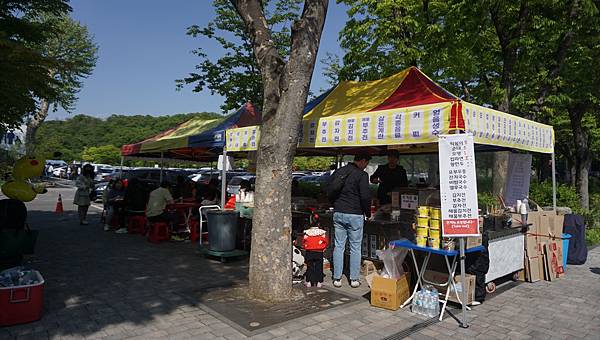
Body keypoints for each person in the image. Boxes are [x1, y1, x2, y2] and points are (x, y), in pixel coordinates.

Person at [330, 154, 372, 288]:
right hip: (355, 214)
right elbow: (365, 196)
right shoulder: (362, 175)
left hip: (338, 212)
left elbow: (329, 189)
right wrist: (368, 212)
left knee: (339, 246)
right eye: (366, 163)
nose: (366, 166)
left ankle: (337, 278)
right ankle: (354, 279)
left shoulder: (340, 171)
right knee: (355, 247)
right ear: (362, 160)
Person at [302, 218, 328, 288]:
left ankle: (309, 282)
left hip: (309, 251)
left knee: (310, 267)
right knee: (319, 267)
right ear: (319, 224)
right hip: (319, 251)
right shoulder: (322, 232)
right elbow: (325, 242)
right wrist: (323, 248)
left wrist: (305, 247)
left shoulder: (307, 232)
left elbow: (304, 242)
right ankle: (319, 282)